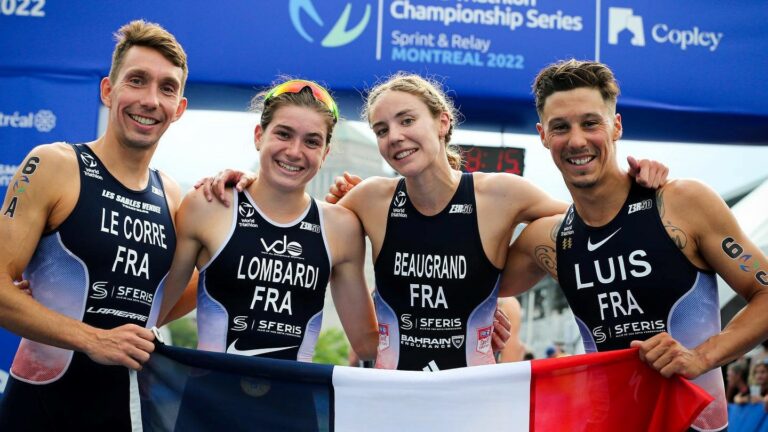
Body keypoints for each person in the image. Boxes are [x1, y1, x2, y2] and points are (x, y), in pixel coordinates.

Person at [207, 73, 665, 372]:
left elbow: (594, 224)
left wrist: (637, 181)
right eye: (382, 130)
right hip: (393, 398)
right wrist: (249, 181)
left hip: (475, 399)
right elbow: (295, 216)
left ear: (443, 123)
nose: (395, 138)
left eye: (408, 121)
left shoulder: (502, 194)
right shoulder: (369, 199)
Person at [500, 59, 768, 431]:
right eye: (561, 127)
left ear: (616, 126)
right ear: (543, 135)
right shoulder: (548, 238)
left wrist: (701, 357)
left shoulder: (680, 203)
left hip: (696, 424)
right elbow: (470, 292)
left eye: (591, 123)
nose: (576, 140)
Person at [0, 20, 188, 430]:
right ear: (108, 90)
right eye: (136, 81)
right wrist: (94, 339)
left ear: (180, 108)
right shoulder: (54, 164)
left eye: (167, 88)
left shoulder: (173, 197)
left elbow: (199, 290)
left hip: (125, 413)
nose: (151, 100)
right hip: (38, 411)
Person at [156, 79, 379, 362]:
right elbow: (152, 311)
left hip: (291, 404)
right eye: (284, 134)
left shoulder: (341, 227)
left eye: (312, 141)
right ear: (259, 135)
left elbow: (367, 344)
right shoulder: (208, 204)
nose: (295, 151)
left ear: (325, 153)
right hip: (208, 401)